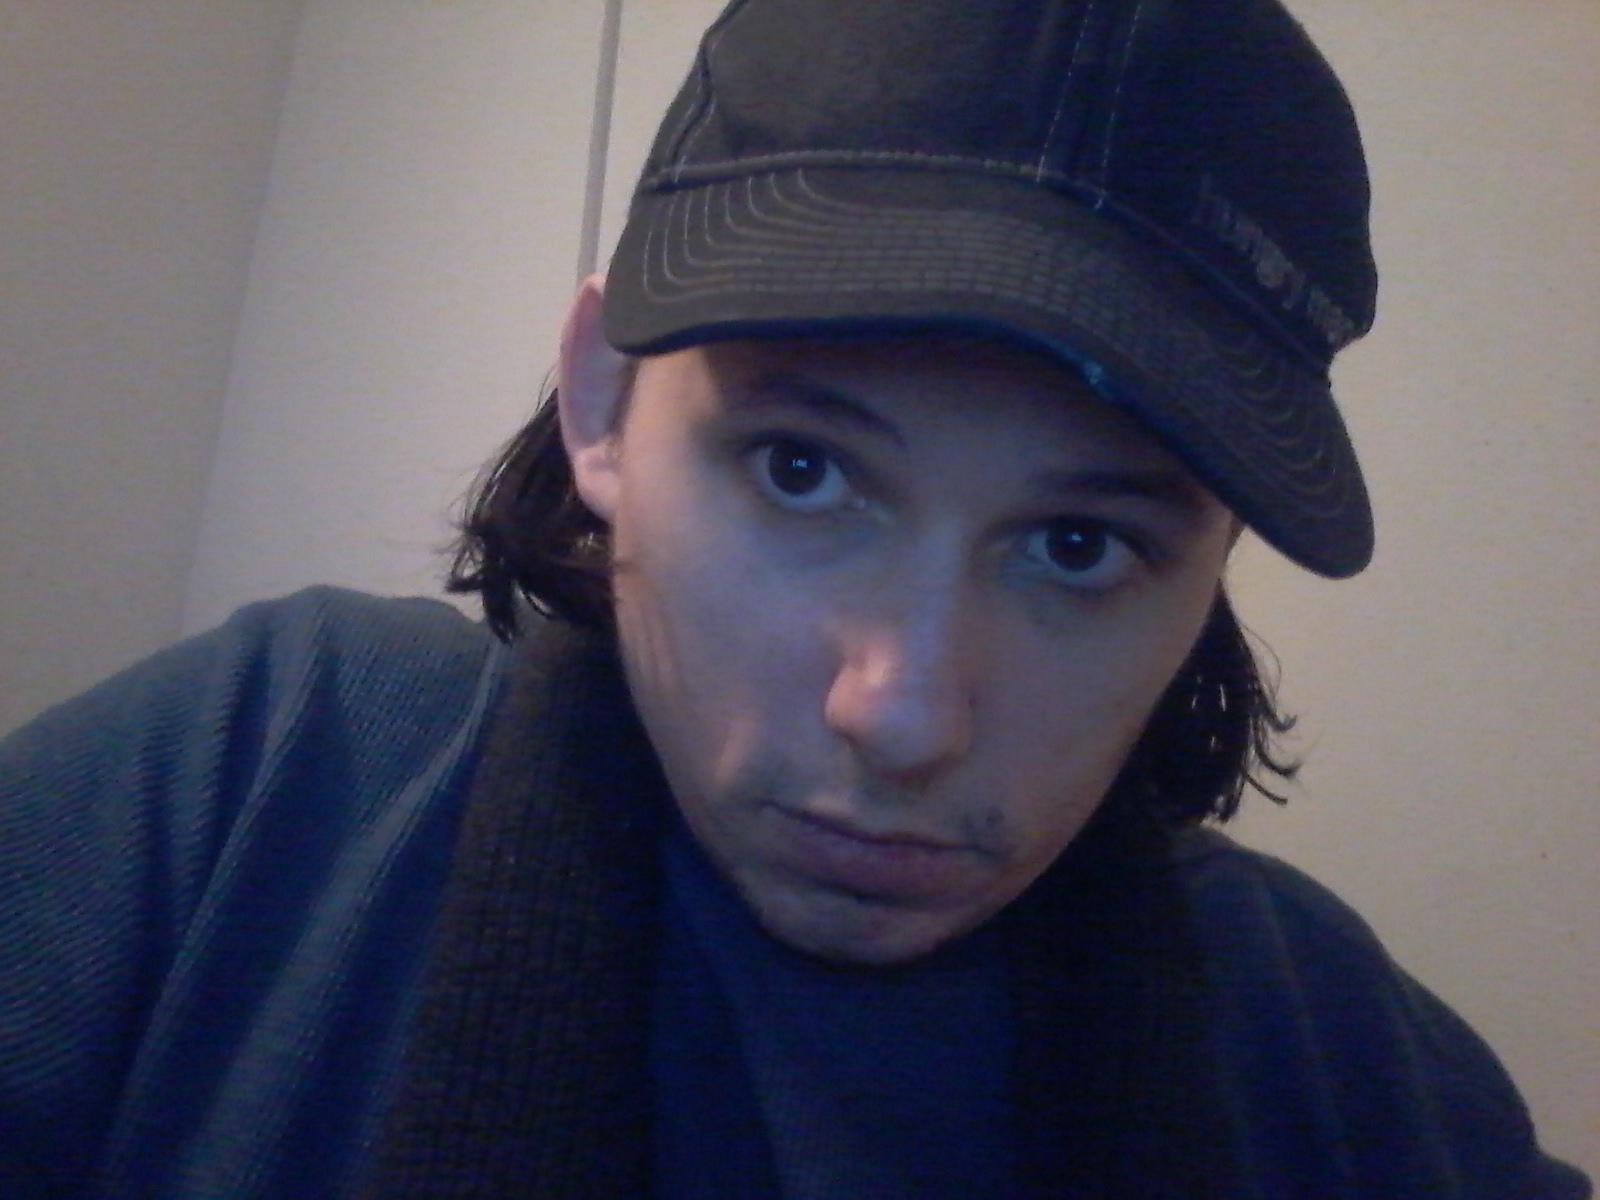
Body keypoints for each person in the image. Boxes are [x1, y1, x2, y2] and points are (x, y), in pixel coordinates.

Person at [0, 0, 1590, 1196]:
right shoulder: (260, 783)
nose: (901, 714)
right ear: (604, 401)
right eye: (804, 471)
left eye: (1078, 546)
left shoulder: (1331, 1056)